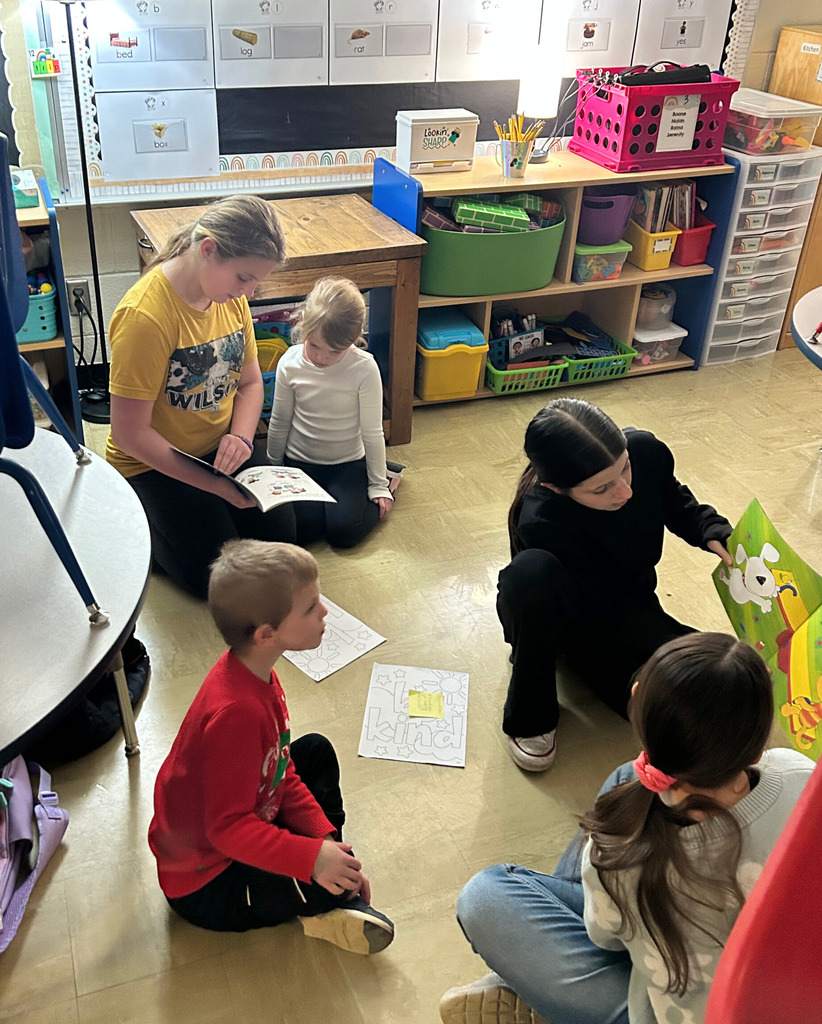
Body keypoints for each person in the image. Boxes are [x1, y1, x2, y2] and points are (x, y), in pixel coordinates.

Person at [440, 632, 815, 1024]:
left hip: (663, 1009)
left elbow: (604, 938)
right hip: (784, 993)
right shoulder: (799, 773)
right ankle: (540, 985)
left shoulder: (618, 855)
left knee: (484, 896)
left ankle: (539, 991)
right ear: (756, 747)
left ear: (636, 697)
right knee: (624, 786)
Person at [148, 539, 395, 953]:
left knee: (314, 750)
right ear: (267, 634)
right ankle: (331, 903)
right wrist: (314, 861)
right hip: (207, 881)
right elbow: (226, 830)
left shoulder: (257, 673)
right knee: (330, 886)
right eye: (311, 607)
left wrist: (324, 842)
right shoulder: (237, 713)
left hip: (242, 818)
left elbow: (281, 768)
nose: (325, 612)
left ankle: (328, 873)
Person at [497, 397, 733, 772]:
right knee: (530, 577)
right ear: (557, 488)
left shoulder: (643, 451)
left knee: (713, 687)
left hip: (632, 603)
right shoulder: (542, 520)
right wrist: (674, 654)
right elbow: (605, 613)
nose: (624, 491)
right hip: (580, 622)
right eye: (602, 489)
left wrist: (710, 528)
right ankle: (530, 712)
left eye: (625, 470)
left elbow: (673, 500)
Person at [106, 194, 296, 600]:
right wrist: (215, 487)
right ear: (207, 250)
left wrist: (242, 438)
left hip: (218, 449)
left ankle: (188, 517)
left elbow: (248, 384)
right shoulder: (145, 316)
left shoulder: (231, 299)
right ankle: (138, 526)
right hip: (150, 463)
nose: (249, 291)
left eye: (256, 282)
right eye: (244, 278)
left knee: (283, 537)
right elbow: (129, 435)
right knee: (208, 578)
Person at [266, 276, 395, 548]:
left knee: (344, 533)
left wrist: (378, 485)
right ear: (303, 326)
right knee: (302, 532)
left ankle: (391, 477)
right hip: (300, 463)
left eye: (334, 351)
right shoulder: (289, 363)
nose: (321, 357)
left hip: (347, 465)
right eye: (313, 346)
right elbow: (279, 421)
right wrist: (274, 467)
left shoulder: (364, 368)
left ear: (353, 341)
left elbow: (373, 433)